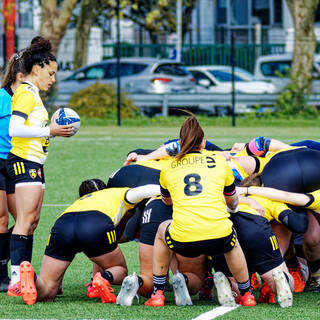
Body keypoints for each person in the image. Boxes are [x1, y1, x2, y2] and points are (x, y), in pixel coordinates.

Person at [143, 116, 256, 308]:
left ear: (179, 143)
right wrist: (233, 209)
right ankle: (247, 295)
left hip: (183, 240)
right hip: (219, 236)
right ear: (203, 142)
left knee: (162, 230)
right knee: (232, 241)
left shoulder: (168, 167)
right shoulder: (219, 163)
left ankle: (158, 294)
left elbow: (167, 201)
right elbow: (231, 199)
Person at [17, 179, 160, 305]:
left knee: (47, 293)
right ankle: (103, 278)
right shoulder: (118, 193)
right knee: (120, 270)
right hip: (95, 223)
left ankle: (33, 277)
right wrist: (168, 189)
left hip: (62, 224)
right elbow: (145, 190)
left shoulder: (79, 202)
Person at [5, 36, 74, 296]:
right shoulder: (25, 91)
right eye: (51, 73)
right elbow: (14, 128)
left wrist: (50, 128)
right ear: (37, 68)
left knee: (32, 221)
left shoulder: (32, 94)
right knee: (25, 220)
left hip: (34, 162)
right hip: (24, 161)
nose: (53, 79)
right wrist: (51, 130)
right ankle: (16, 279)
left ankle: (24, 273)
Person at [237, 182, 320, 292]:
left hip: (234, 237)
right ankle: (286, 274)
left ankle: (243, 282)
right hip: (262, 237)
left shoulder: (236, 199)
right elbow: (296, 223)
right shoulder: (272, 200)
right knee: (281, 228)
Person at [0, 51, 26, 291]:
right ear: (19, 76)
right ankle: (1, 274)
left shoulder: (28, 99)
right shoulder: (1, 97)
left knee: (24, 220)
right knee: (1, 217)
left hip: (16, 163)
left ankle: (21, 270)